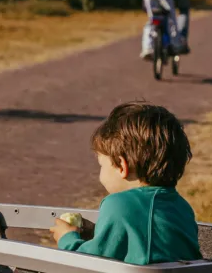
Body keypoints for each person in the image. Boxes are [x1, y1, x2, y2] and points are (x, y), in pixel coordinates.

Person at [48, 102, 202, 265]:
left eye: (102, 164)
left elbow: (89, 263)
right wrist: (98, 233)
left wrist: (68, 239)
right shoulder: (182, 208)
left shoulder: (118, 205)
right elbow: (147, 243)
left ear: (122, 166)